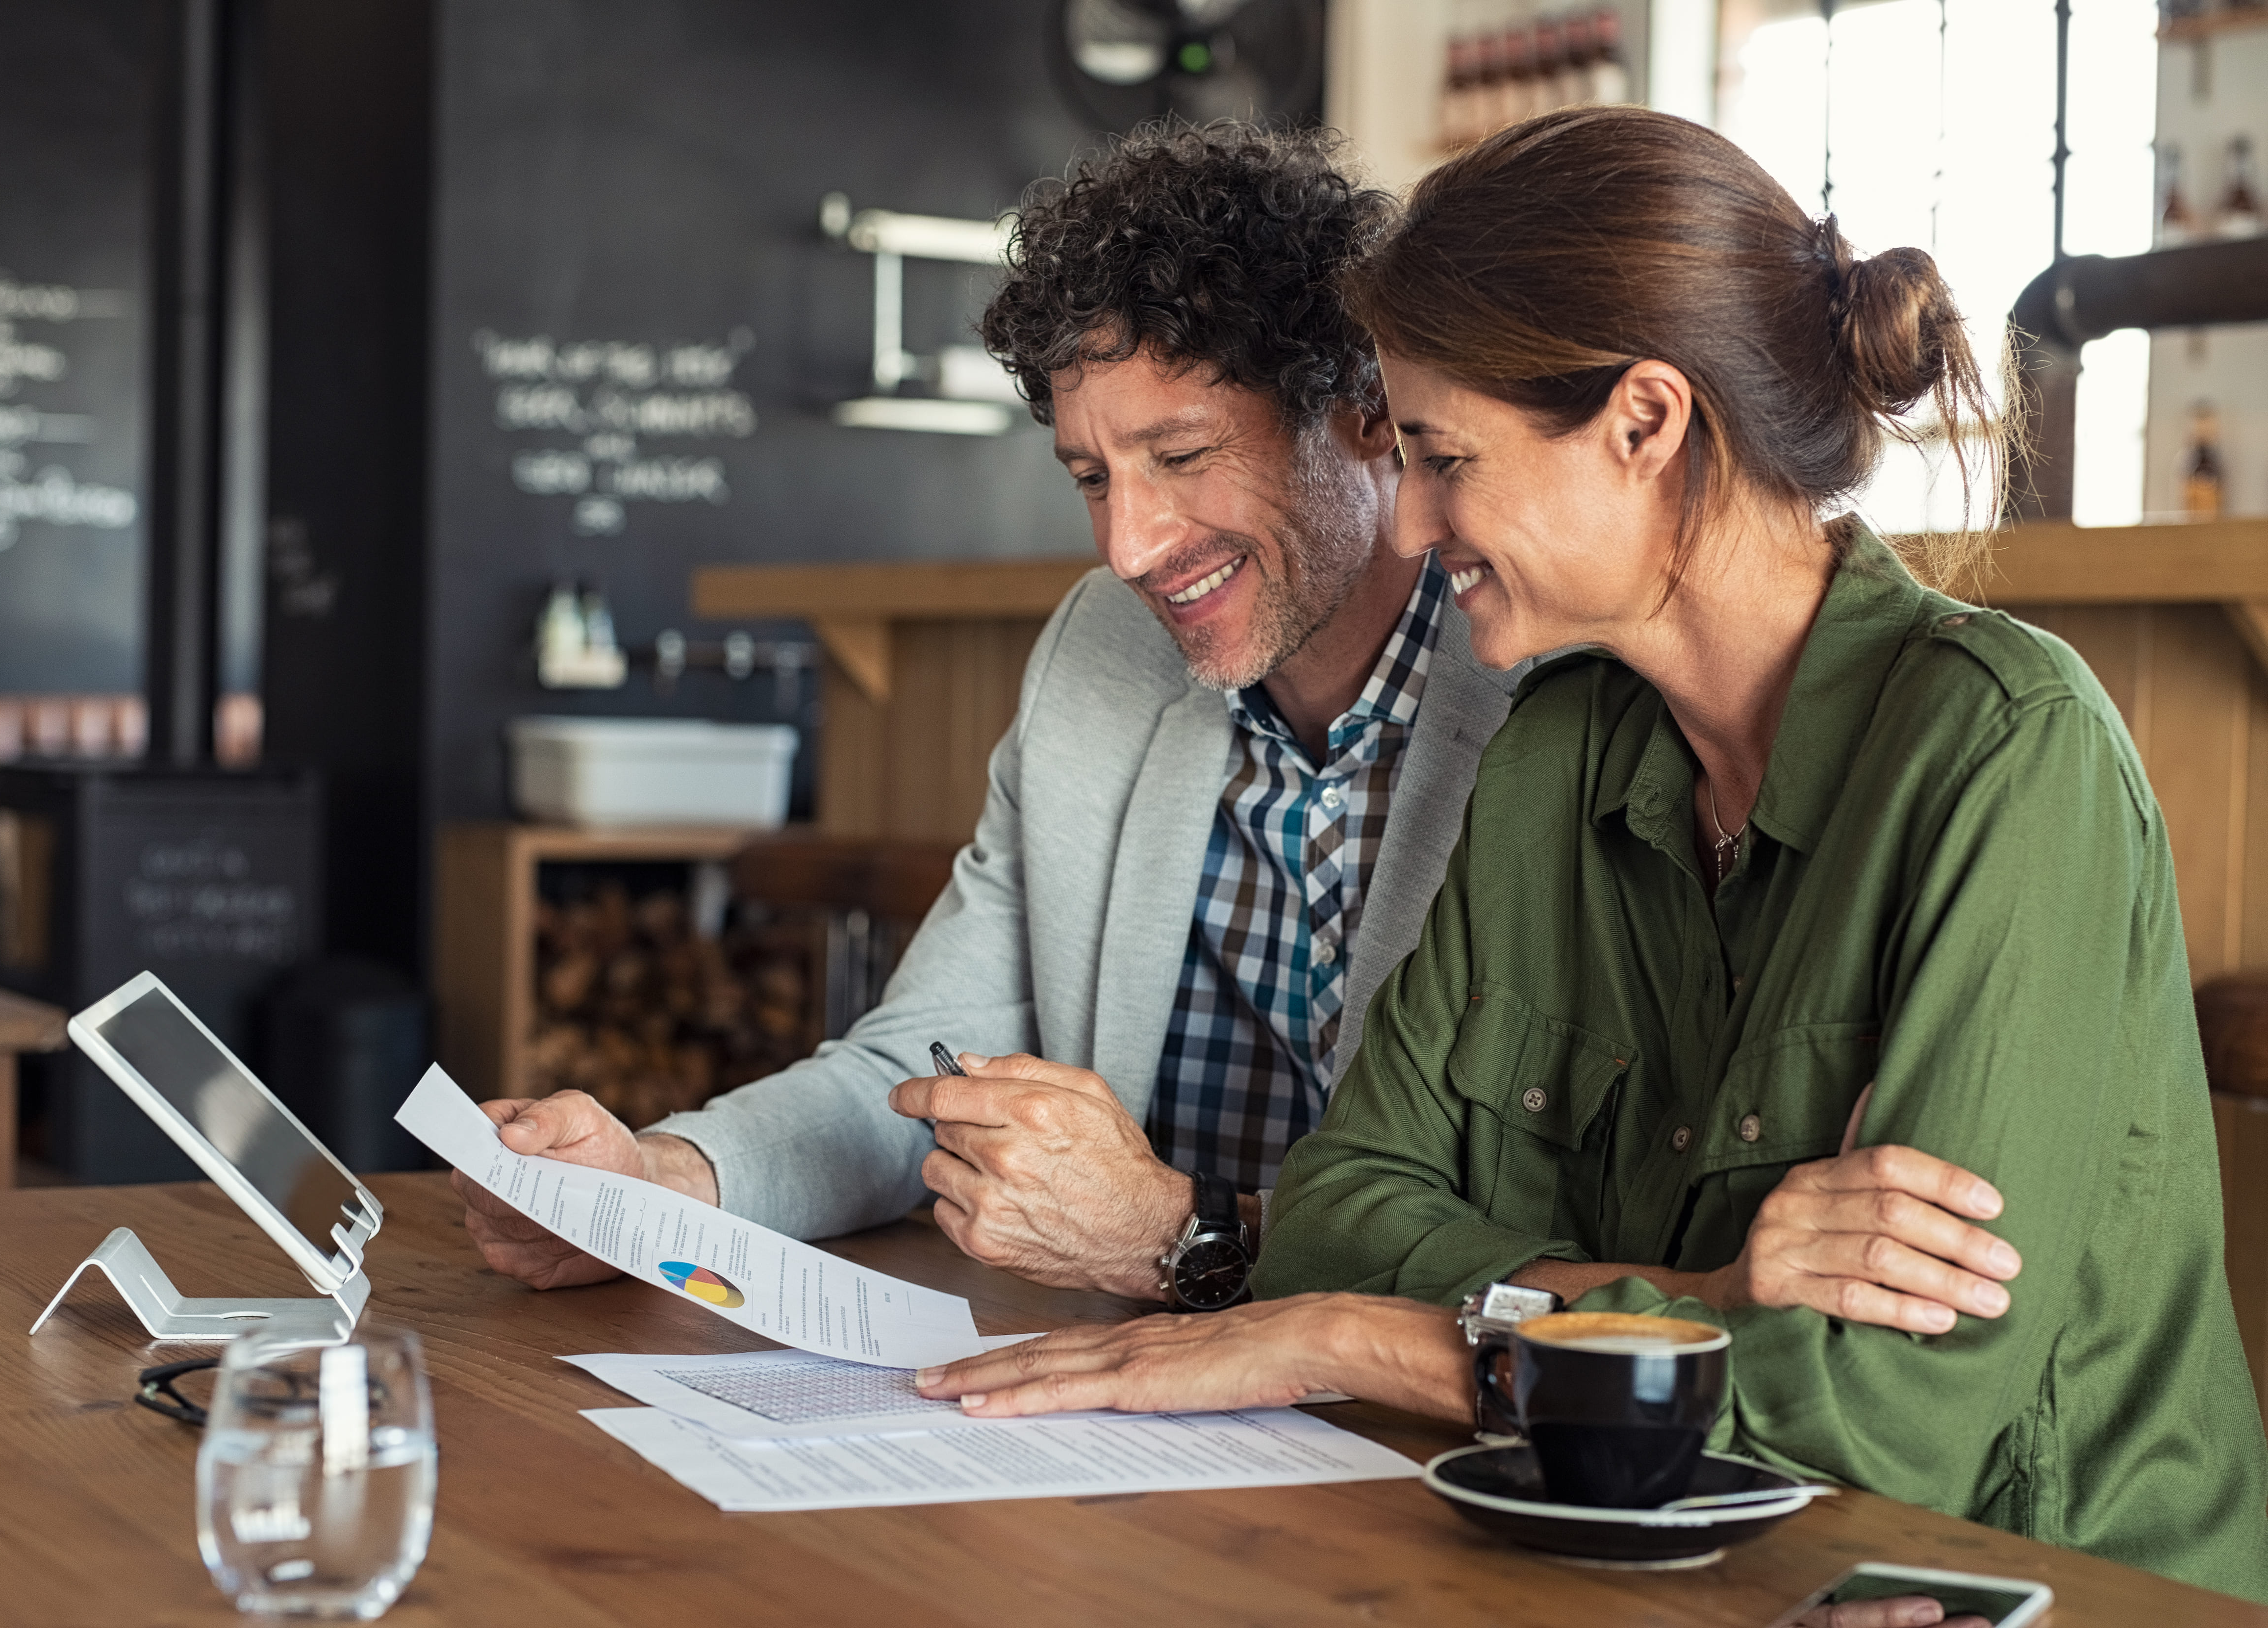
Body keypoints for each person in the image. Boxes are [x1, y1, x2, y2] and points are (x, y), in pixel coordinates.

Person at [912, 106, 2268, 1601]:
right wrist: (1701, 1297)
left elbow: (1882, 1416)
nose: (1413, 527)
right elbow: (1343, 1211)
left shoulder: (2009, 754)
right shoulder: (1555, 749)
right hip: (1620, 1560)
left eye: (1442, 458)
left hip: (2014, 1585)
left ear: (1645, 422)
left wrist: (1371, 1338)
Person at [454, 122, 1528, 1302]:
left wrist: (1187, 1231)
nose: (1129, 546)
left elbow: (1548, 1227)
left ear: (1366, 412)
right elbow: (918, 1072)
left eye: (1180, 454)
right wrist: (660, 1179)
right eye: (1091, 476)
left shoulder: (1548, 695)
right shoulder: (1098, 653)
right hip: (1143, 1394)